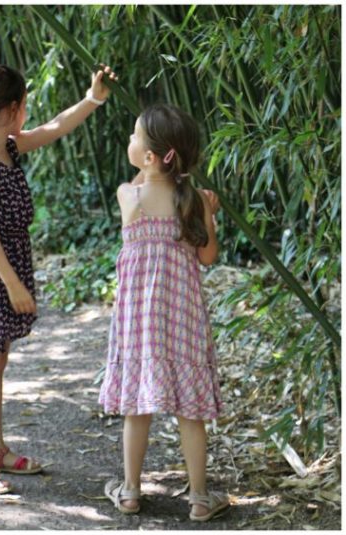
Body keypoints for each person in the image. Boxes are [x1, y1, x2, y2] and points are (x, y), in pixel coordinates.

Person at [0, 63, 117, 494]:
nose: (29, 112)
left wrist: (93, 98)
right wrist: (12, 283)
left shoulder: (10, 144)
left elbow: (56, 127)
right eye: (25, 104)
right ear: (11, 109)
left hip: (7, 269)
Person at [99, 103, 228, 521]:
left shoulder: (128, 195)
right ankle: (200, 499)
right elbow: (208, 256)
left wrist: (164, 174)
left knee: (138, 407)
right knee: (191, 412)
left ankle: (131, 491)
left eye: (136, 137)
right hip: (183, 316)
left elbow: (142, 182)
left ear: (152, 156)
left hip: (139, 321)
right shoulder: (190, 201)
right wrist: (208, 211)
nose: (129, 142)